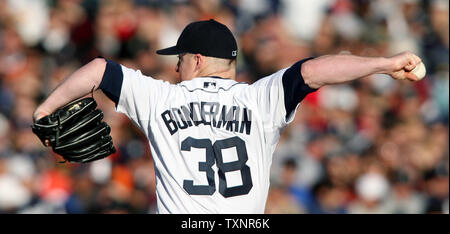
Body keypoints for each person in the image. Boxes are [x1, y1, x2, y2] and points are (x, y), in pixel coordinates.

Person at [33, 19, 422, 214]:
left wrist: (45, 110)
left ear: (197, 60)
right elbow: (312, 71)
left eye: (180, 59)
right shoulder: (259, 99)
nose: (175, 68)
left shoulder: (160, 97)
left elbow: (100, 69)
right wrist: (383, 64)